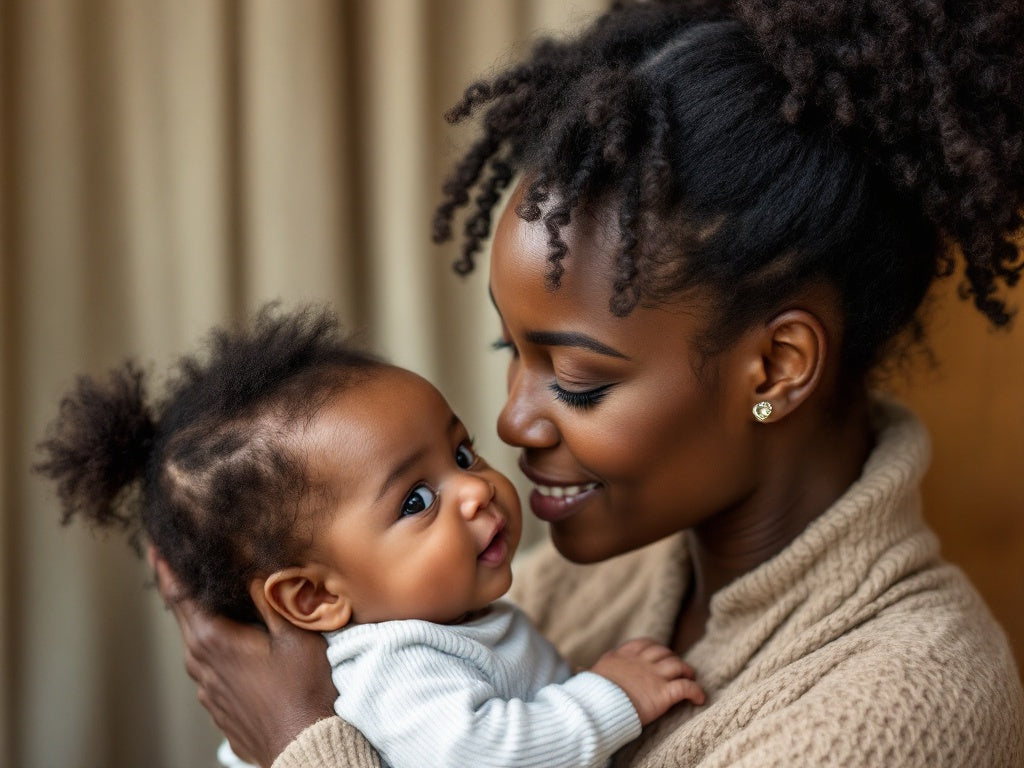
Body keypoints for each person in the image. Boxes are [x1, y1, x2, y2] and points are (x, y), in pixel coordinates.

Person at [154, 0, 1024, 766]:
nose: (512, 424)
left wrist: (302, 738)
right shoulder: (568, 588)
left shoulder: (905, 708)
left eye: (576, 381)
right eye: (511, 354)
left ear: (776, 369)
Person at [35, 304, 705, 768]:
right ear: (312, 599)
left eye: (462, 454)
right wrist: (610, 696)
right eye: (417, 499)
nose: (476, 488)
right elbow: (484, 756)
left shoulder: (446, 619)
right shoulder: (396, 664)